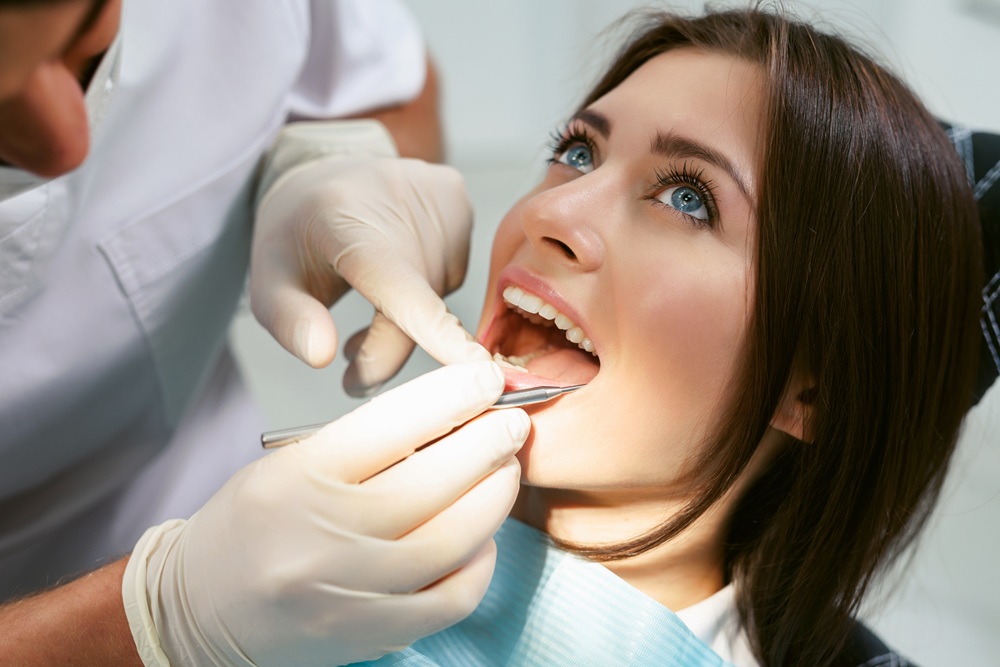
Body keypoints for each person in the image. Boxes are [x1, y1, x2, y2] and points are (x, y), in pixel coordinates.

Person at [343, 6, 982, 666]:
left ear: (815, 390)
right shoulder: (291, 569)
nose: (547, 212)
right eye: (577, 153)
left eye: (688, 197)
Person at [0, 0, 526, 665]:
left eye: (84, 36)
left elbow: (387, 89)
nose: (65, 146)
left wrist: (342, 159)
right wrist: (158, 618)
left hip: (208, 493)